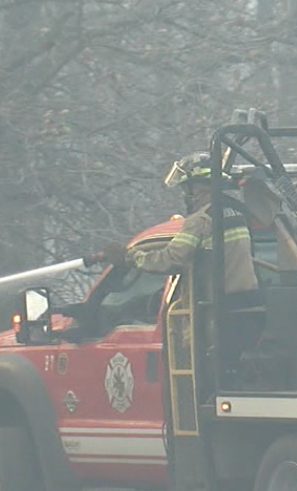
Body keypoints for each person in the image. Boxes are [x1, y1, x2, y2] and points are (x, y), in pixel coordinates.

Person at [90, 152, 264, 381]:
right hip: (248, 306)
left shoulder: (201, 220)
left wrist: (128, 258)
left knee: (210, 379)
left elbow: (170, 260)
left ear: (197, 187)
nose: (185, 194)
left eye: (186, 188)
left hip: (217, 311)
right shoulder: (236, 211)